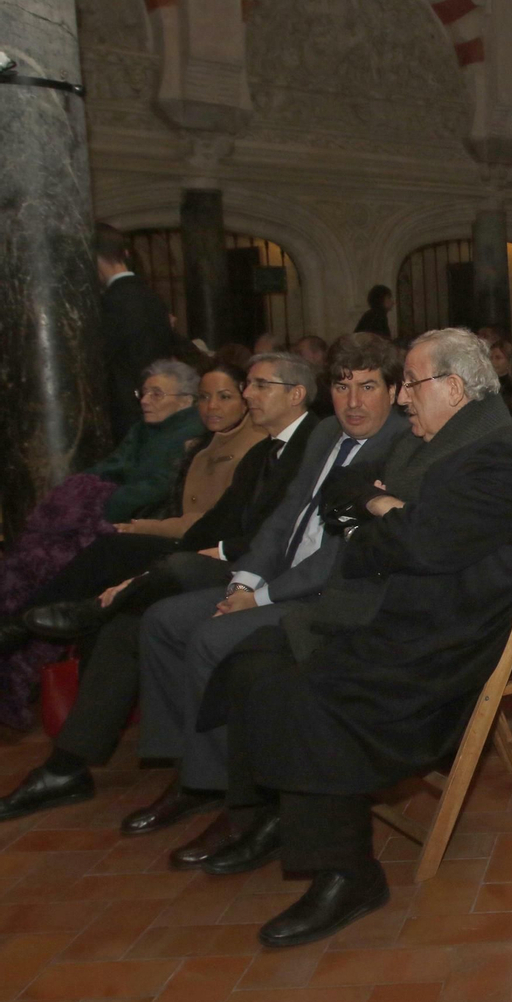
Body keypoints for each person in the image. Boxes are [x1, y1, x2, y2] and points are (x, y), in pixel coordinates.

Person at [196, 329, 512, 947]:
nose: (403, 397)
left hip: (437, 641)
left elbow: (417, 544)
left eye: (411, 382)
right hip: (389, 609)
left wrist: (381, 514)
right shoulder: (432, 435)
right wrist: (385, 509)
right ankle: (273, 811)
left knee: (306, 689)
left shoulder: (495, 456)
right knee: (252, 658)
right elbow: (345, 491)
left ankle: (349, 873)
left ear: (452, 388)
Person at [113, 335, 410, 863]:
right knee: (161, 621)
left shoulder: (402, 447)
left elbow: (345, 553)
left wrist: (265, 597)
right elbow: (284, 517)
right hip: (276, 580)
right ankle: (192, 774)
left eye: (368, 387)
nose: (354, 402)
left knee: (210, 638)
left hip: (327, 596)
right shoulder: (323, 433)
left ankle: (239, 804)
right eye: (343, 387)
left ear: (393, 391)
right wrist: (244, 582)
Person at [0, 351, 325, 819]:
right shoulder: (262, 452)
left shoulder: (318, 442)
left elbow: (282, 536)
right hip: (225, 560)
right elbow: (209, 524)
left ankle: (84, 611)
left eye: (258, 386)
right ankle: (66, 767)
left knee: (168, 573)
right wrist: (157, 562)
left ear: (296, 394)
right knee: (124, 625)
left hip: (267, 575)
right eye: (248, 385)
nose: (247, 395)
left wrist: (190, 559)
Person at [88, 361, 207, 525]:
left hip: (158, 521)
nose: (144, 400)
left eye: (156, 394)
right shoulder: (142, 429)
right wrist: (79, 486)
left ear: (185, 401)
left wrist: (103, 504)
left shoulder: (193, 434)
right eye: (143, 393)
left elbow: (162, 486)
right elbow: (115, 464)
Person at [95, 223, 180, 440]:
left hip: (125, 413)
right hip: (156, 403)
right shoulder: (151, 297)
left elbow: (100, 360)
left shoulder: (112, 303)